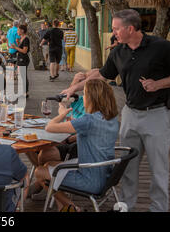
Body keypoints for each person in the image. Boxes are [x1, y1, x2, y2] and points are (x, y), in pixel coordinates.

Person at [61, 9, 170, 212]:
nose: (113, 33)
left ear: (130, 28)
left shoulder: (161, 47)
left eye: (115, 29)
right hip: (130, 114)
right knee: (127, 166)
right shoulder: (118, 51)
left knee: (158, 169)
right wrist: (73, 88)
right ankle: (125, 206)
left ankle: (158, 209)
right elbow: (102, 76)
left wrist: (159, 84)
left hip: (157, 115)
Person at [34, 79, 120, 211]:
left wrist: (62, 113)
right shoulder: (111, 118)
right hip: (106, 175)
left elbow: (49, 127)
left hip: (90, 180)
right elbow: (86, 126)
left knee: (40, 172)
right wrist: (72, 121)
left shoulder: (88, 120)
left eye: (85, 94)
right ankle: (63, 207)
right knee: (49, 164)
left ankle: (72, 207)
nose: (83, 98)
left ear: (92, 98)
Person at [10, 24, 30, 98]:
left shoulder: (26, 39)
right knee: (21, 76)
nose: (17, 31)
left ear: (22, 30)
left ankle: (25, 92)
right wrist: (17, 44)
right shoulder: (21, 38)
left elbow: (24, 51)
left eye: (18, 30)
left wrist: (15, 47)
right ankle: (23, 91)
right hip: (20, 58)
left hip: (23, 59)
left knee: (23, 76)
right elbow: (21, 48)